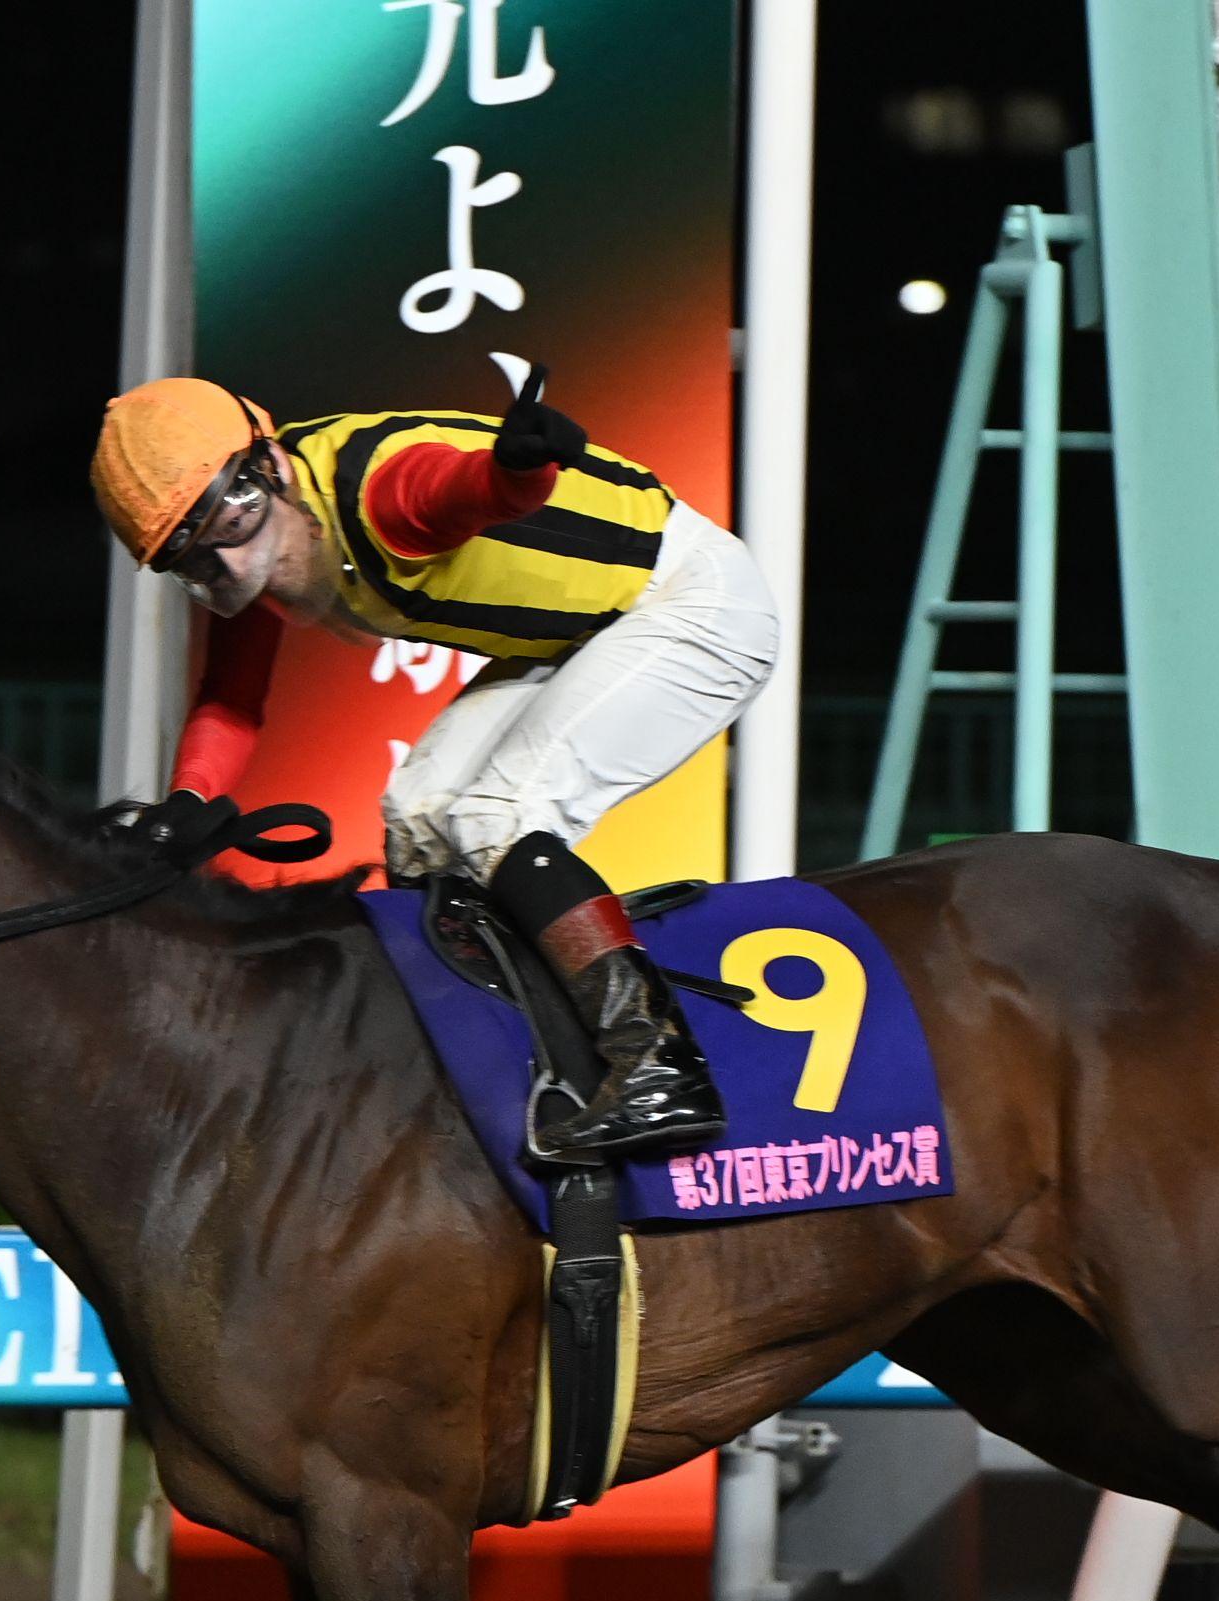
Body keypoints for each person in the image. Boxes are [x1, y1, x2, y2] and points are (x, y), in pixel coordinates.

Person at [90, 370, 777, 1161]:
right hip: (587, 626)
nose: (233, 571)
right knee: (417, 815)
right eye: (194, 561)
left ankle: (660, 1066)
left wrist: (518, 469)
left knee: (496, 816)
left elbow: (456, 492)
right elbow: (232, 698)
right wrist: (187, 799)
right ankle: (489, 1052)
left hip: (693, 603)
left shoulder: (373, 497)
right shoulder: (276, 518)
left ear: (270, 463)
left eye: (232, 522)